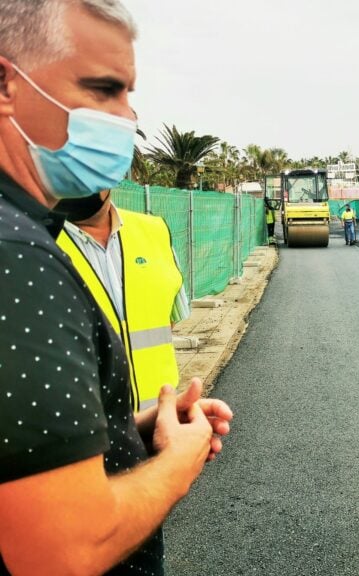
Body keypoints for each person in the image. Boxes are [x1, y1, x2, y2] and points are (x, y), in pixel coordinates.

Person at [0, 2, 233, 575]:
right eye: (103, 89)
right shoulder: (19, 255)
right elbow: (63, 551)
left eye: (128, 95)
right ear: (6, 84)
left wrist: (128, 433)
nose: (126, 119)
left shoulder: (30, 235)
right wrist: (180, 461)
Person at [56, 191, 190, 411]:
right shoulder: (26, 243)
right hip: (84, 428)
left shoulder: (155, 231)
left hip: (160, 419)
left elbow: (170, 320)